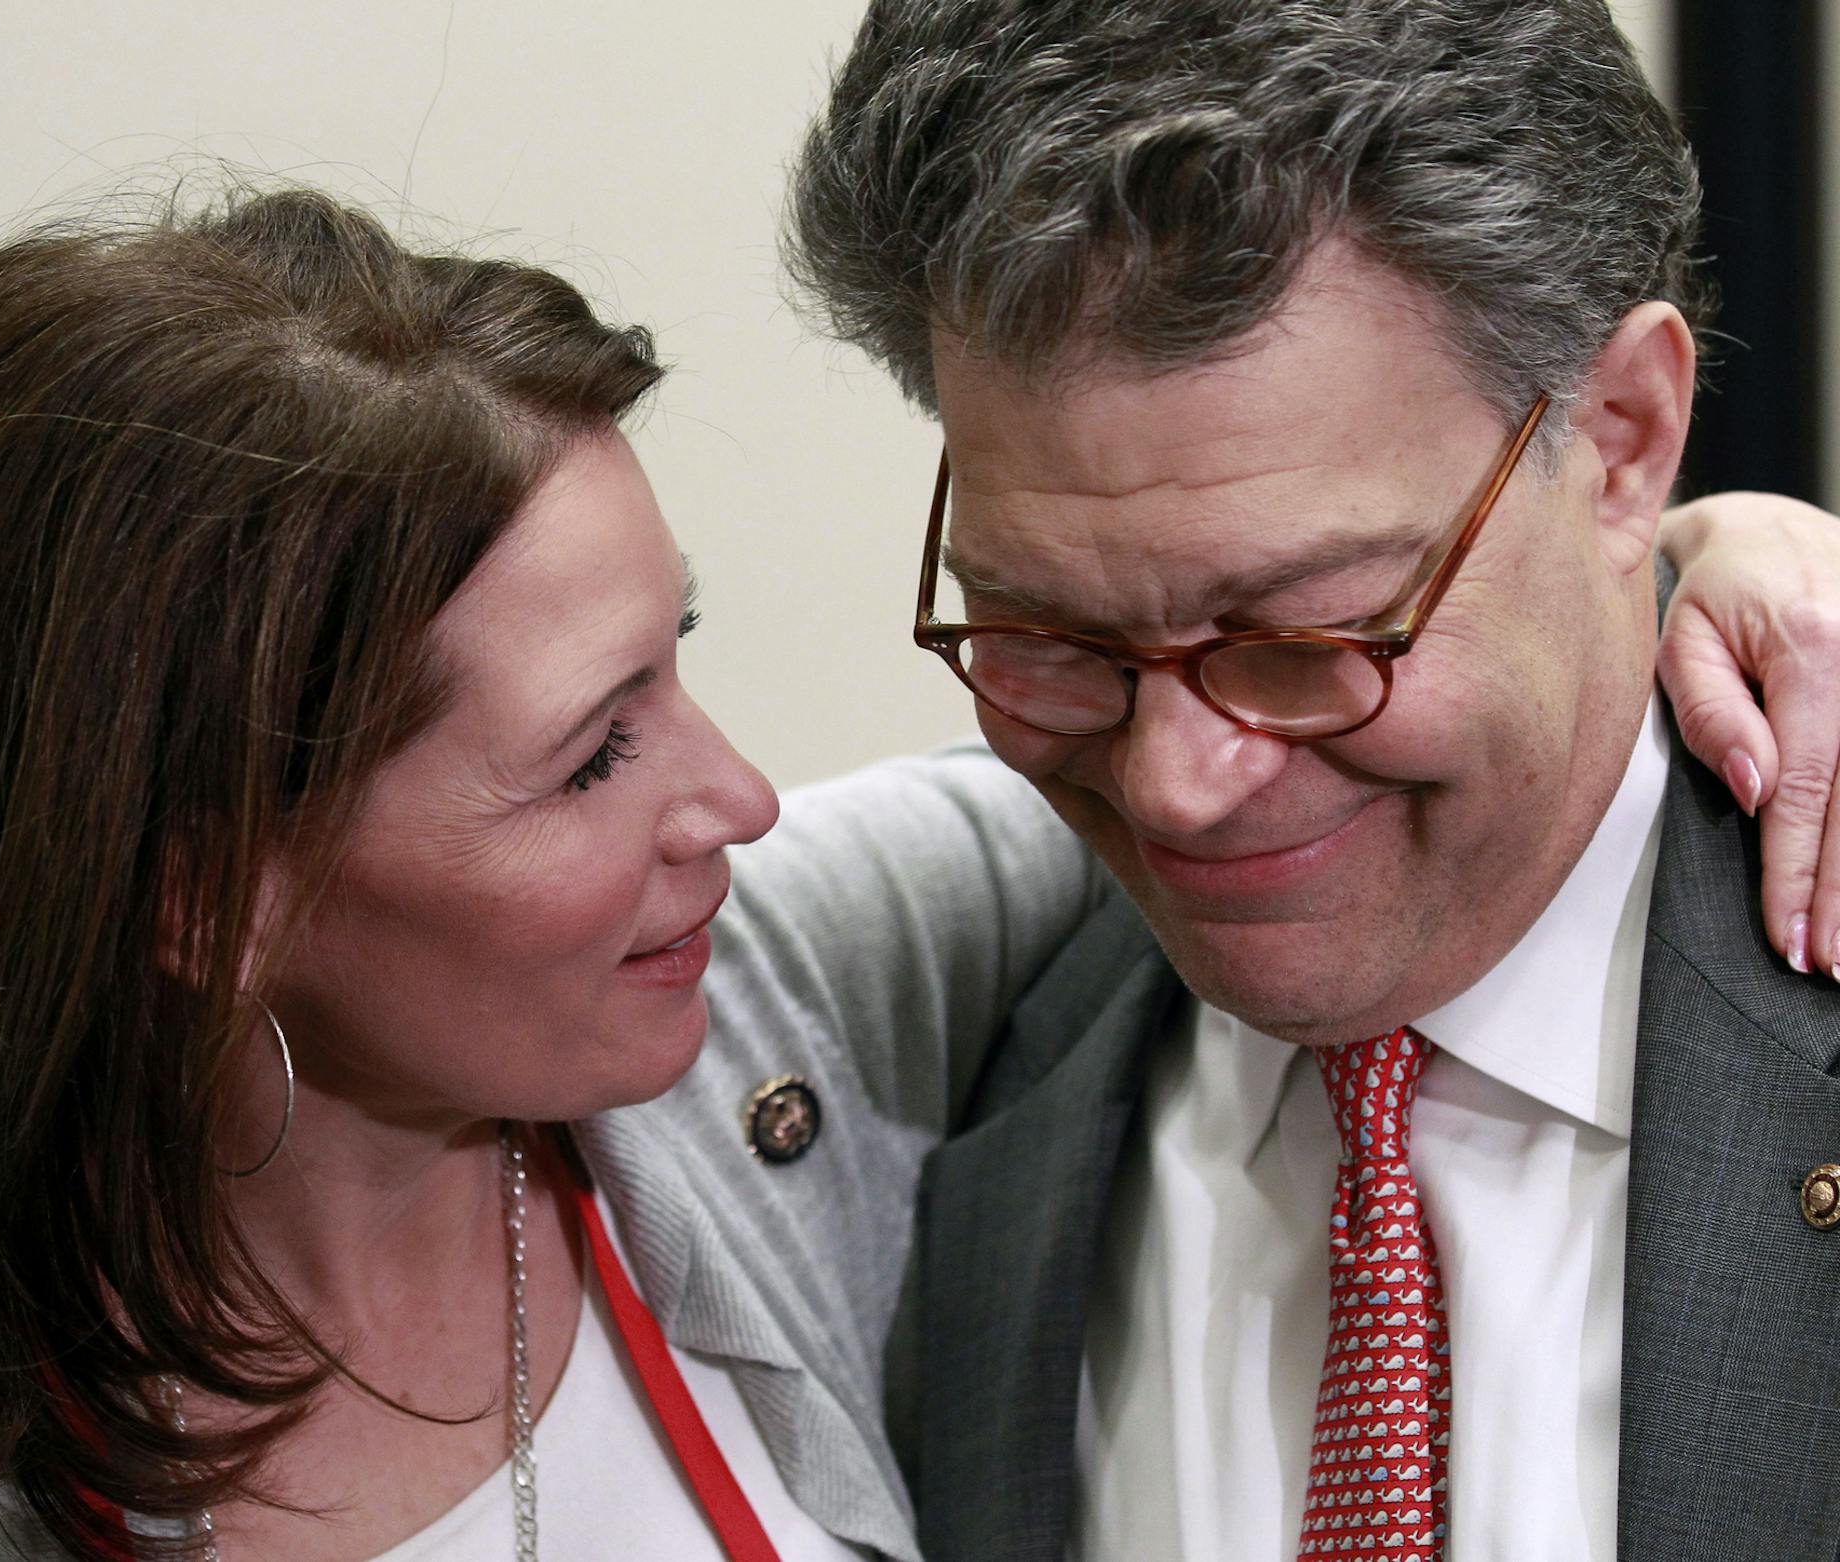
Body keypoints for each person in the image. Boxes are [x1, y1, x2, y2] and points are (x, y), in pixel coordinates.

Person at [0, 175, 1830, 1562]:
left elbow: (1266, 787)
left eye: (675, 660)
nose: (733, 797)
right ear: (195, 895)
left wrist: (1664, 548)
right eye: (591, 753)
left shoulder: (795, 985)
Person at [783, 1, 1840, 1559]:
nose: (1177, 784)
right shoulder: (949, 1085)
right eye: (1047, 632)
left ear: (1622, 441)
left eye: (1302, 632)